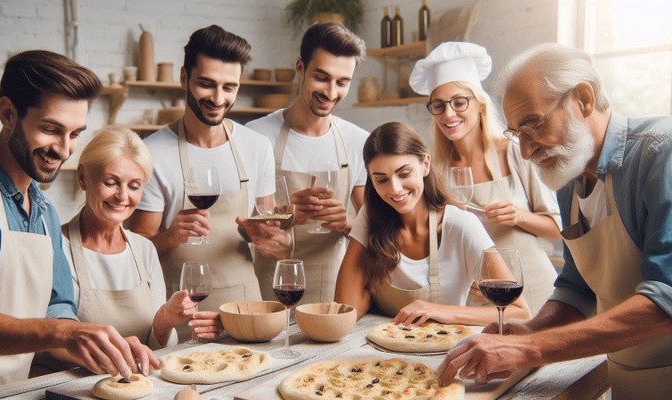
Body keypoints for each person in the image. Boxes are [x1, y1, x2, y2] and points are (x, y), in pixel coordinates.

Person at [437, 43, 672, 399]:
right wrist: (530, 330)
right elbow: (577, 289)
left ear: (583, 99)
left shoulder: (669, 149)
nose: (526, 151)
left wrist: (532, 349)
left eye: (533, 124)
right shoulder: (570, 176)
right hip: (628, 377)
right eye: (517, 134)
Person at [0, 50, 160, 399]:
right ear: (8, 113)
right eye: (51, 129)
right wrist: (62, 334)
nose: (64, 149)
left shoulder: (45, 212)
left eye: (74, 134)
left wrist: (102, 348)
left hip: (15, 393)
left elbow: (57, 310)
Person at [124, 25, 275, 341]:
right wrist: (173, 235)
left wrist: (265, 236)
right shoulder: (152, 153)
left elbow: (273, 238)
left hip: (243, 306)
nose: (218, 99)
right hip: (182, 310)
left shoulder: (257, 147)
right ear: (184, 78)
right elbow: (137, 252)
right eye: (207, 84)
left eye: (229, 87)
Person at [32, 128, 222, 375]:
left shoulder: (144, 250)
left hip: (132, 385)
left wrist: (164, 321)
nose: (122, 196)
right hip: (64, 387)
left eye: (134, 186)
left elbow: (154, 349)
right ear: (82, 177)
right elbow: (47, 337)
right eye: (110, 182)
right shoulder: (52, 246)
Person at [409, 42, 561, 315]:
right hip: (482, 296)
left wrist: (518, 216)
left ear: (479, 104)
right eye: (439, 105)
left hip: (536, 288)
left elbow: (556, 228)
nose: (448, 114)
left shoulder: (516, 151)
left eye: (459, 102)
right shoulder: (435, 171)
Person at [334, 121, 531, 327]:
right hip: (380, 351)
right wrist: (368, 295)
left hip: (444, 350)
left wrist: (438, 311)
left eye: (404, 174)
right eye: (382, 180)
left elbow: (520, 312)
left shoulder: (461, 224)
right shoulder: (370, 217)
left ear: (425, 165)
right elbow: (345, 308)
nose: (395, 189)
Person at [241, 22, 369, 304]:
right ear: (300, 68)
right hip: (270, 285)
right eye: (321, 77)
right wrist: (284, 217)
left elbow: (374, 226)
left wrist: (346, 222)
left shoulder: (358, 142)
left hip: (334, 286)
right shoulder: (256, 135)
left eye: (342, 82)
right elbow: (238, 223)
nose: (331, 92)